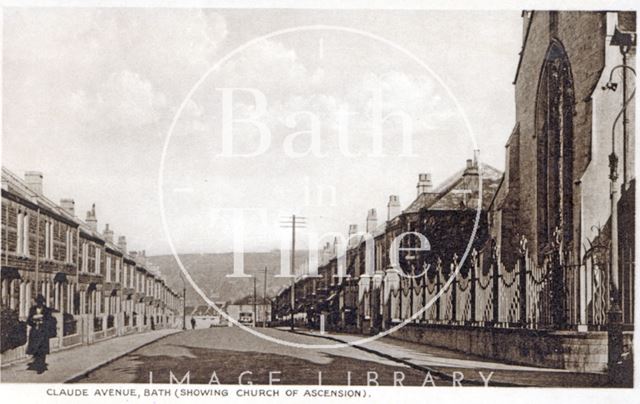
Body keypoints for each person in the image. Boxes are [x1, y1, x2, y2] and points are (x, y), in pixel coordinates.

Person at [26, 294, 53, 374]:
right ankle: (37, 364)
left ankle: (40, 367)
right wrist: (33, 320)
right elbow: (29, 320)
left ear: (43, 302)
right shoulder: (32, 309)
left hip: (43, 332)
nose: (39, 303)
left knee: (42, 350)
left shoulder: (47, 310)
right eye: (38, 302)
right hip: (35, 332)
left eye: (41, 302)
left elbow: (50, 321)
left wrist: (42, 321)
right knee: (36, 349)